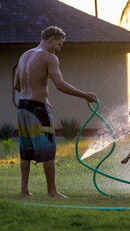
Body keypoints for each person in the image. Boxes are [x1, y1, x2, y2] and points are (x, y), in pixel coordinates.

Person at [13, 26, 97, 198]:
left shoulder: (24, 56)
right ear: (51, 39)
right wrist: (85, 95)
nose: (59, 49)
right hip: (38, 109)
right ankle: (52, 191)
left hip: (22, 107)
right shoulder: (49, 57)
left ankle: (24, 190)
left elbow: (16, 85)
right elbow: (60, 84)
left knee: (26, 151)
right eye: (58, 44)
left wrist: (34, 93)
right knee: (48, 150)